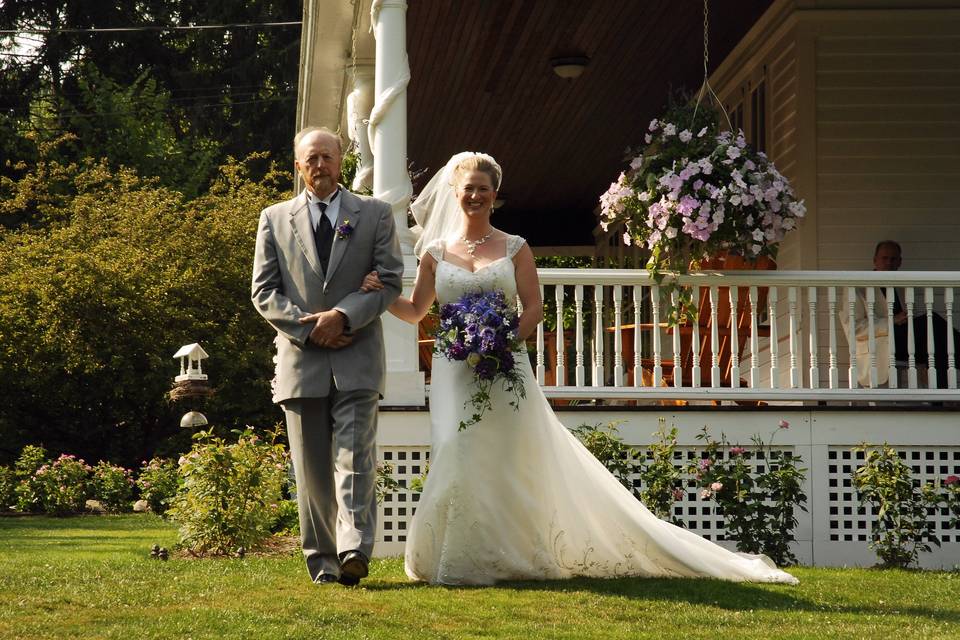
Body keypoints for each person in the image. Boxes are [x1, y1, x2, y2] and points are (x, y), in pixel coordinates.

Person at [360, 152, 798, 586]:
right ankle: (453, 556)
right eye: (467, 189)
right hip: (453, 371)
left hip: (505, 367)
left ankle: (506, 552)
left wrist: (504, 340)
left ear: (495, 195)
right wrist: (380, 293)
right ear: (455, 194)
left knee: (506, 457)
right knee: (455, 450)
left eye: (483, 189)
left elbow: (532, 308)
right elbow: (416, 310)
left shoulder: (515, 247)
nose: (474, 195)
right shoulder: (435, 252)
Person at [251, 126, 403, 586]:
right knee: (313, 471)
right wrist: (312, 328)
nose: (320, 165)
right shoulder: (274, 218)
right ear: (298, 166)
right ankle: (324, 563)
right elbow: (263, 292)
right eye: (311, 158)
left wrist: (343, 314)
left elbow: (391, 279)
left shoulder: (374, 214)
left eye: (328, 157)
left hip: (357, 356)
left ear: (343, 162)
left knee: (355, 458)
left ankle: (354, 548)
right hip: (301, 361)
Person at [871, 240, 959, 388]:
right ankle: (942, 400)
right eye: (884, 258)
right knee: (933, 323)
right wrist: (891, 321)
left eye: (893, 259)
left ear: (899, 262)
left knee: (939, 344)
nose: (889, 263)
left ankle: (940, 402)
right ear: (875, 260)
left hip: (908, 341)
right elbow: (855, 327)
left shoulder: (902, 287)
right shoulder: (859, 288)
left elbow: (914, 315)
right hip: (882, 341)